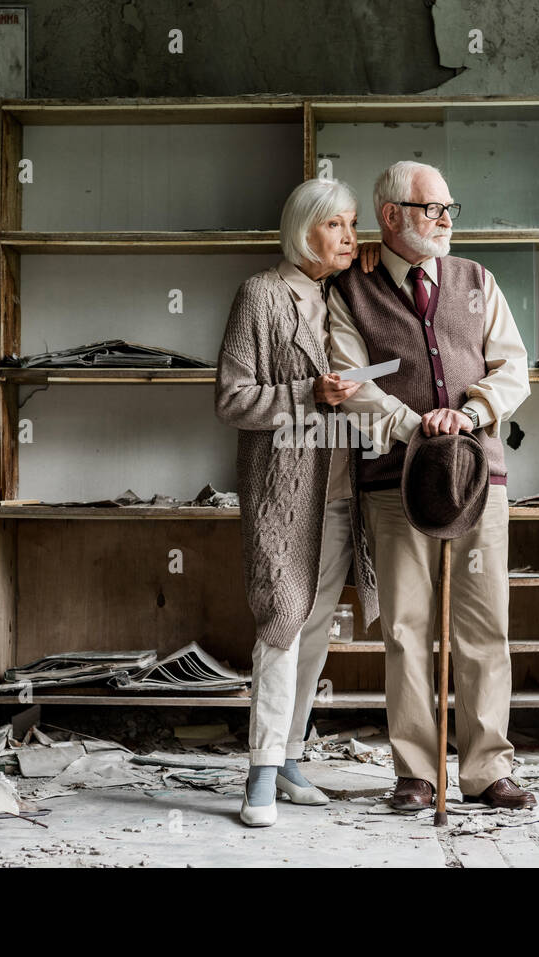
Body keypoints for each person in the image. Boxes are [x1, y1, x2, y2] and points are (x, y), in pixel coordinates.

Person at [327, 160, 536, 811]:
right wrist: (417, 425)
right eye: (431, 209)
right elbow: (349, 382)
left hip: (479, 483)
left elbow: (515, 368)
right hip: (395, 485)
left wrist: (469, 413)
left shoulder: (478, 281)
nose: (446, 220)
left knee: (483, 627)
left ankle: (485, 769)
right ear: (390, 217)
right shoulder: (350, 290)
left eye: (450, 208)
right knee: (407, 628)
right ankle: (416, 772)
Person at [215, 177, 380, 827]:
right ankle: (258, 771)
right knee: (281, 618)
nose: (350, 236)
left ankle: (287, 758)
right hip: (283, 494)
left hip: (344, 495)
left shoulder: (343, 298)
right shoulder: (261, 293)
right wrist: (310, 393)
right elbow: (232, 398)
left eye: (354, 225)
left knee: (315, 629)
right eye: (337, 225)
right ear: (302, 229)